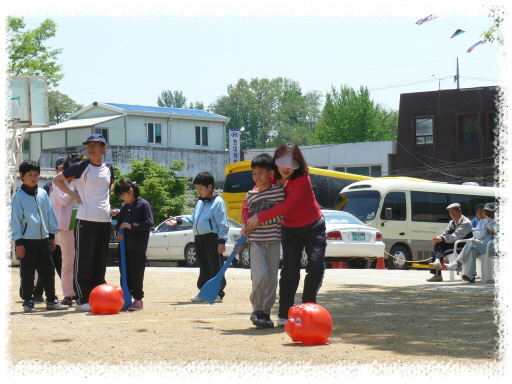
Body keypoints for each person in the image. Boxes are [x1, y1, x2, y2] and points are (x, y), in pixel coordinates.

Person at [245, 142, 327, 327]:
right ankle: (284, 314)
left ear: (298, 163)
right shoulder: (272, 178)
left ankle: (308, 308)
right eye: (282, 162)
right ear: (276, 162)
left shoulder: (302, 178)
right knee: (290, 271)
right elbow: (251, 196)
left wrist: (259, 217)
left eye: (291, 163)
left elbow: (285, 206)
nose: (286, 168)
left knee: (315, 266)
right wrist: (246, 218)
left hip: (313, 226)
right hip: (289, 230)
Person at [53, 134, 115, 312]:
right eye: (89, 145)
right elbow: (57, 180)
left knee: (100, 260)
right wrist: (75, 196)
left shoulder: (109, 167)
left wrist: (105, 200)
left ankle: (98, 295)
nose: (91, 148)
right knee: (84, 261)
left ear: (104, 148)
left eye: (96, 145)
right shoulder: (81, 166)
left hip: (104, 220)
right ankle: (82, 299)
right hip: (86, 220)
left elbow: (110, 185)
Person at [10, 160, 69, 312]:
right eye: (29, 175)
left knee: (48, 272)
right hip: (27, 242)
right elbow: (15, 221)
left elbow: (50, 215)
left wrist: (51, 237)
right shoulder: (18, 197)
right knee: (27, 273)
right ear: (22, 176)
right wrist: (19, 242)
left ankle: (51, 300)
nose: (33, 178)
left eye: (36, 175)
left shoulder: (43, 193)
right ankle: (28, 301)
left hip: (43, 241)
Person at [166, 171, 229, 303]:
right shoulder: (200, 202)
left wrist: (222, 241)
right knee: (204, 266)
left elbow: (223, 223)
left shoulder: (218, 202)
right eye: (197, 189)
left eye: (201, 188)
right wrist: (178, 221)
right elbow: (193, 218)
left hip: (212, 238)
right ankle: (203, 293)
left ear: (210, 187)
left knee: (215, 266)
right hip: (199, 239)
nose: (198, 191)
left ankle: (218, 293)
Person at [242, 153, 285, 328]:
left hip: (273, 241)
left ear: (271, 173)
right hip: (256, 242)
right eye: (254, 173)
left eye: (260, 172)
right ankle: (257, 309)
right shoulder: (250, 195)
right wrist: (245, 226)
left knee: (272, 278)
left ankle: (266, 312)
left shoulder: (278, 192)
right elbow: (248, 217)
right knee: (259, 275)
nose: (257, 177)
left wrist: (258, 219)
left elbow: (280, 215)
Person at [111, 178, 154, 310]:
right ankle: (125, 298)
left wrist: (131, 226)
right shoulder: (124, 207)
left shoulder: (143, 205)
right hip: (124, 247)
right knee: (124, 272)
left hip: (138, 247)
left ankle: (138, 299)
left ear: (131, 191)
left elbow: (148, 223)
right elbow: (118, 224)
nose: (123, 199)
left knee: (136, 273)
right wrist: (118, 232)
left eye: (123, 195)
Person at [51, 153, 84, 306]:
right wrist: (73, 186)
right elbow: (64, 200)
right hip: (66, 227)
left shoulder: (83, 181)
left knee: (83, 261)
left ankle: (82, 292)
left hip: (83, 224)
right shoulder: (58, 183)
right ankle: (68, 295)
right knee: (68, 262)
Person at [33, 157, 66, 301]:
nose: (62, 171)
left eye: (65, 168)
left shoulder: (72, 185)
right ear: (56, 170)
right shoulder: (48, 187)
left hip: (64, 231)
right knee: (51, 263)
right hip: (50, 231)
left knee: (56, 263)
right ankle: (42, 293)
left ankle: (40, 292)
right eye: (60, 169)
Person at [445, 203, 497, 283]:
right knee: (472, 250)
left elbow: (493, 228)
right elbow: (475, 234)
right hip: (482, 245)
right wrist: (486, 232)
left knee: (471, 242)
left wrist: (487, 218)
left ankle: (458, 263)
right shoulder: (482, 222)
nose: (486, 213)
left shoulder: (498, 221)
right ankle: (470, 275)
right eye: (485, 211)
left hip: (493, 247)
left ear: (494, 212)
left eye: (488, 211)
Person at [427, 203, 473, 282]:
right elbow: (446, 233)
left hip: (462, 246)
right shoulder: (452, 223)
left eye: (453, 211)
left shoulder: (466, 223)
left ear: (459, 210)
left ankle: (437, 272)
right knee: (438, 244)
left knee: (439, 250)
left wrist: (442, 239)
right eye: (450, 212)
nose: (452, 213)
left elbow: (456, 236)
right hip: (453, 244)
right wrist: (438, 238)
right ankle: (437, 263)